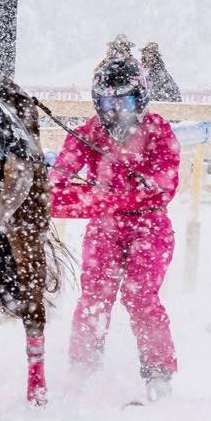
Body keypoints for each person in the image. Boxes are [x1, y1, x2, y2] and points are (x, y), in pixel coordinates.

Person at [50, 57, 181, 400]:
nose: (117, 111)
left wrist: (110, 197)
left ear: (141, 99)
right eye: (109, 104)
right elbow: (57, 181)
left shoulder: (158, 131)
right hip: (105, 229)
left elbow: (165, 186)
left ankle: (158, 372)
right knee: (94, 296)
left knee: (140, 295)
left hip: (150, 227)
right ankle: (82, 369)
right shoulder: (88, 133)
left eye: (126, 102)